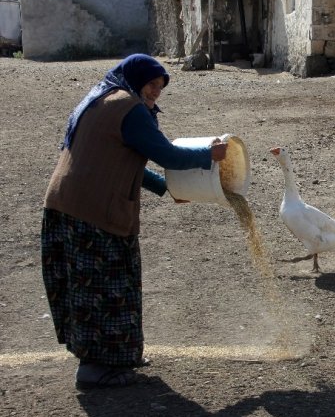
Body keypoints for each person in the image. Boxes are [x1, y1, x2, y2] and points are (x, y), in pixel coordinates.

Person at [41, 54, 227, 390]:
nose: (155, 91)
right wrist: (207, 156)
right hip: (92, 211)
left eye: (160, 86)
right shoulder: (128, 108)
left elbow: (123, 159)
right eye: (151, 84)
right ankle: (95, 367)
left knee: (106, 283)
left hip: (68, 204)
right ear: (136, 78)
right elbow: (167, 154)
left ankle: (116, 356)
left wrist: (165, 187)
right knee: (102, 288)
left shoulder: (103, 97)